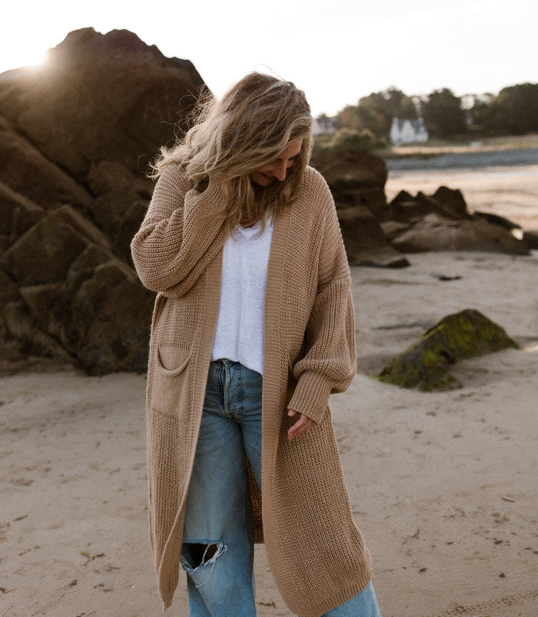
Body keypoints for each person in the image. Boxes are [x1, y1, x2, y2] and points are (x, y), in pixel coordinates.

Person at [131, 72, 382, 617]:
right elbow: (155, 266)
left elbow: (333, 286)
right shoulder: (182, 180)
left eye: (293, 157)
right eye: (272, 157)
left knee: (327, 550)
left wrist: (318, 379)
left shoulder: (309, 190)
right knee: (211, 557)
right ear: (241, 144)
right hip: (194, 400)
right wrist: (219, 188)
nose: (283, 170)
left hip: (283, 395)